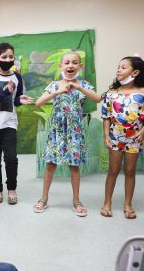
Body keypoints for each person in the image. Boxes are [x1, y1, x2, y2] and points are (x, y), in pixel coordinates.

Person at [33, 51, 101, 216]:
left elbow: (98, 98)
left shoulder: (83, 84)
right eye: (67, 62)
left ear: (80, 66)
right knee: (50, 165)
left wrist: (78, 87)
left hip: (74, 132)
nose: (71, 65)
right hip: (57, 131)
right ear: (61, 66)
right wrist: (57, 92)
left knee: (74, 166)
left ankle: (76, 200)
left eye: (75, 62)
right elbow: (38, 103)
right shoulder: (55, 85)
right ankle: (44, 198)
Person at [100, 56, 144, 219]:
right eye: (118, 67)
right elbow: (106, 116)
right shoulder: (111, 93)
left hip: (134, 139)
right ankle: (107, 203)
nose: (118, 70)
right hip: (115, 137)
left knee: (130, 171)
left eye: (123, 67)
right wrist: (106, 136)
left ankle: (128, 204)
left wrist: (143, 131)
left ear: (135, 72)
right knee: (113, 170)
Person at [0, 43, 35, 205]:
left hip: (9, 124)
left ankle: (12, 189)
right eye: (4, 57)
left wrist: (21, 99)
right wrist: (6, 91)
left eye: (11, 56)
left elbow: (16, 100)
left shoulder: (17, 77)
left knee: (11, 158)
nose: (8, 59)